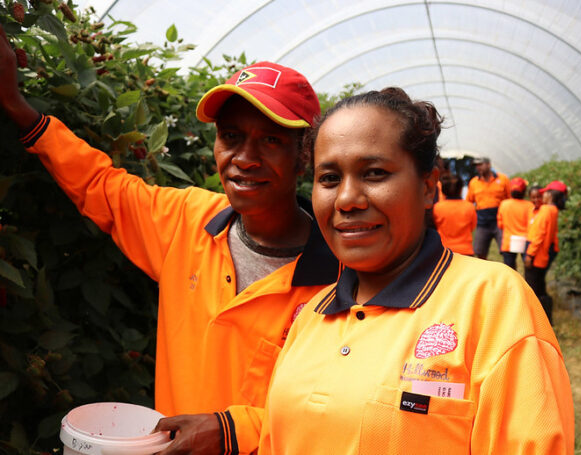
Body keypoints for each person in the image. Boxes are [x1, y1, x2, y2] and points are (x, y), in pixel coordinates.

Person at [0, 25, 338, 454]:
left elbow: (342, 404)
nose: (244, 159)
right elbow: (99, 184)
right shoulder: (186, 220)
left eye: (270, 140)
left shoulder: (341, 275)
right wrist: (16, 104)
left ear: (304, 153)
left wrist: (234, 431)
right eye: (231, 137)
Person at [246, 88, 574, 453]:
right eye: (329, 178)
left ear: (428, 187)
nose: (346, 199)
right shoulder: (310, 316)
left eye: (374, 173)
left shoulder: (493, 303)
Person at [525, 180, 567, 323]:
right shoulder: (553, 210)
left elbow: (539, 234)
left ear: (550, 195)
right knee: (539, 284)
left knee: (533, 287)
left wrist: (530, 254)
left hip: (538, 254)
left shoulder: (546, 210)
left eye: (545, 193)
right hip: (545, 253)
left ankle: (539, 319)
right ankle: (546, 318)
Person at [465, 156, 510, 259]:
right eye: (476, 165)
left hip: (500, 221)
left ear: (488, 164)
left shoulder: (503, 179)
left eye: (480, 164)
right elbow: (469, 202)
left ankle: (510, 272)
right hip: (482, 222)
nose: (478, 167)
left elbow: (509, 199)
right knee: (480, 252)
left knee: (506, 252)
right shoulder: (474, 183)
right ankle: (483, 273)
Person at [432, 173, 477, 256]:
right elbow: (472, 227)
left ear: (443, 190)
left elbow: (435, 226)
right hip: (466, 251)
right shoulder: (469, 207)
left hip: (444, 251)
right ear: (460, 189)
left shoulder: (437, 208)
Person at [497, 177, 533, 270]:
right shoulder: (529, 205)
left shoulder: (504, 204)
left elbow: (500, 224)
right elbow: (532, 224)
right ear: (524, 191)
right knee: (528, 269)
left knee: (510, 269)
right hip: (525, 241)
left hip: (509, 242)